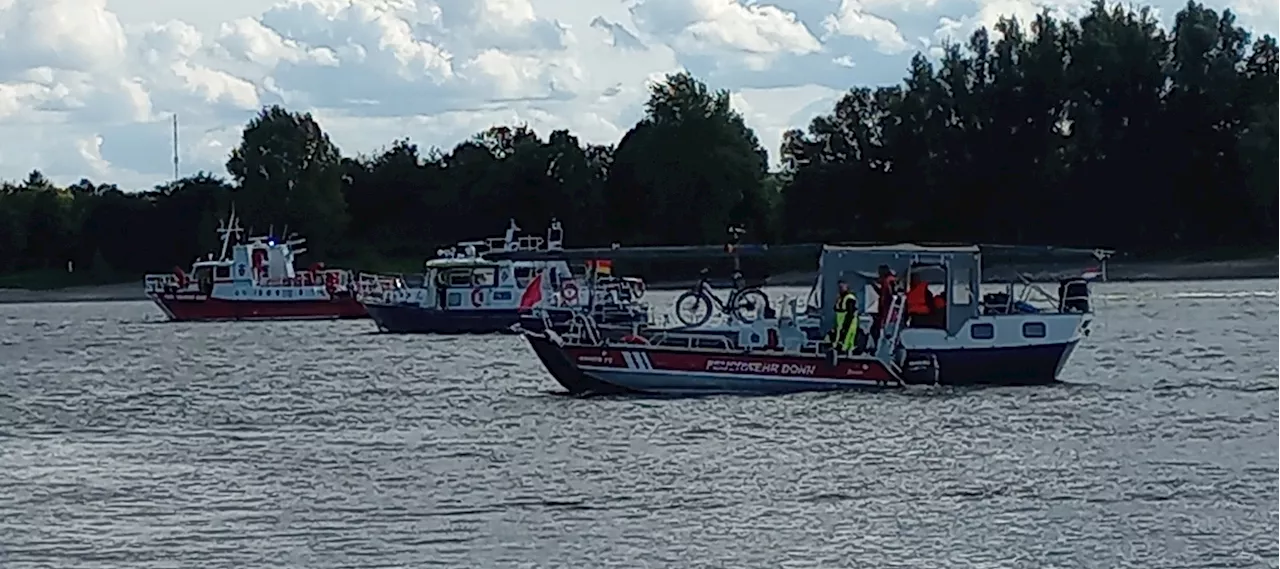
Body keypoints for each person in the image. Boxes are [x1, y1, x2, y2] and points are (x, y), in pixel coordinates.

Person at [827, 279, 860, 352]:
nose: (840, 288)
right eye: (839, 287)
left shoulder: (850, 298)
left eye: (842, 286)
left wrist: (846, 325)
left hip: (848, 323)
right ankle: (838, 349)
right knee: (838, 338)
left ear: (847, 286)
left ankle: (845, 351)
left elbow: (850, 313)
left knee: (847, 338)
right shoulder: (840, 297)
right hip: (840, 323)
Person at [870, 264, 898, 339]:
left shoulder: (890, 280)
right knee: (876, 327)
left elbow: (892, 293)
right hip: (884, 309)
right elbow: (882, 293)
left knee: (880, 328)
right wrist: (874, 286)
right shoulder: (885, 282)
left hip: (889, 309)